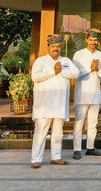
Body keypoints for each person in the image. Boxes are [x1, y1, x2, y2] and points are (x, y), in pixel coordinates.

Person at [30, 34, 80, 168]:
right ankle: (36, 159)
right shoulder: (40, 61)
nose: (56, 49)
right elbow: (35, 77)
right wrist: (53, 71)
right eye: (53, 46)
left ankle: (56, 157)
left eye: (58, 47)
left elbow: (75, 73)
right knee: (41, 132)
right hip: (44, 105)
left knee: (58, 133)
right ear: (48, 47)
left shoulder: (66, 61)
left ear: (61, 47)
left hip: (59, 104)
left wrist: (61, 70)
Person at [72, 27, 101, 159]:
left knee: (93, 122)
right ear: (86, 39)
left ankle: (90, 147)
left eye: (95, 40)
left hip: (95, 93)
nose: (93, 42)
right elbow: (75, 73)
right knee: (79, 122)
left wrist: (98, 69)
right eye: (91, 39)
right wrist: (90, 68)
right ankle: (77, 149)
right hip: (82, 93)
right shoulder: (79, 55)